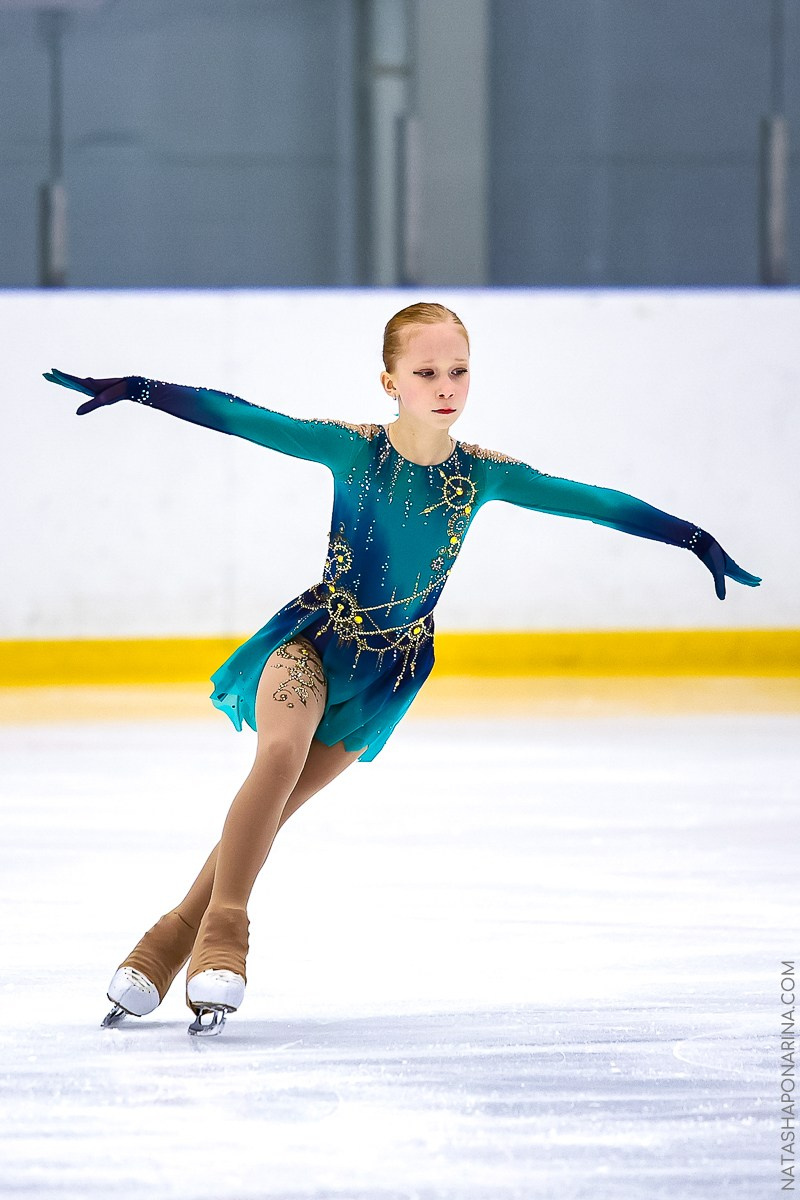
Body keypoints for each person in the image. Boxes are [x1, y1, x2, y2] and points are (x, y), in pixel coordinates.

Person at [44, 301, 760, 1036]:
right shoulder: (354, 450)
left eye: (458, 371)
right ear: (389, 380)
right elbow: (242, 416)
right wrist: (138, 388)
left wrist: (692, 536)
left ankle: (166, 942)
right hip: (315, 642)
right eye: (426, 372)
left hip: (387, 676)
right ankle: (225, 933)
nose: (445, 385)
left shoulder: (483, 475)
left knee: (277, 808)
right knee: (279, 756)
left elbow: (593, 503)